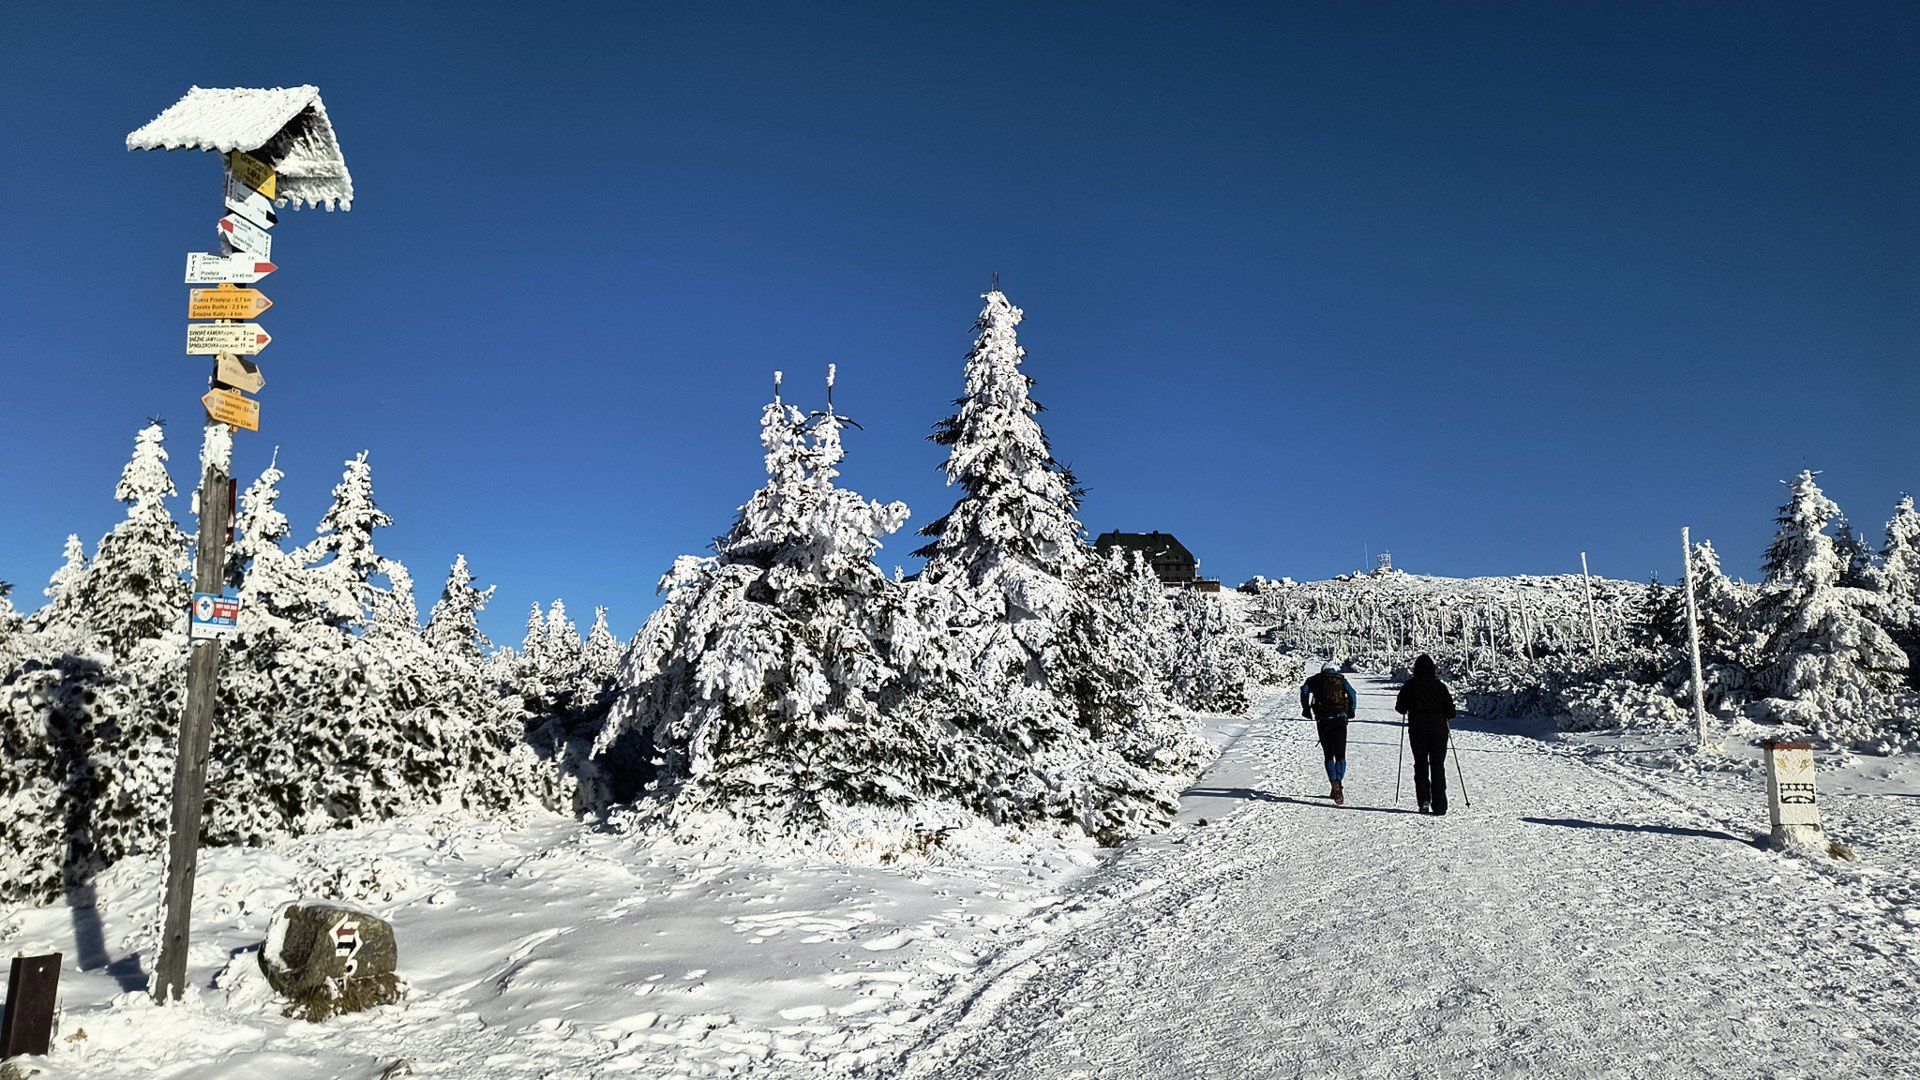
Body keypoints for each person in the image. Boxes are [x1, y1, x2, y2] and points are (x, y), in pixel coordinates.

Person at [1395, 654, 1458, 815]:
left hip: (1417, 731)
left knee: (1421, 764)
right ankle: (1440, 805)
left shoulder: (1410, 685)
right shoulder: (1440, 686)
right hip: (1439, 731)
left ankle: (1424, 800)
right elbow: (1450, 712)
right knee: (1438, 766)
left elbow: (1400, 708)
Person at [1300, 664, 1359, 804]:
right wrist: (1351, 711)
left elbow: (1304, 690)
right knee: (1340, 755)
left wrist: (1306, 709)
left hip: (1323, 721)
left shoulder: (1314, 679)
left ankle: (1334, 784)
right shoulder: (1341, 679)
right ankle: (1338, 783)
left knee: (1328, 755)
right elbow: (1353, 693)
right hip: (1340, 719)